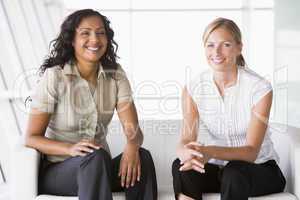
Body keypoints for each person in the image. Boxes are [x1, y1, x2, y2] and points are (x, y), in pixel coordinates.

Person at [25, 9, 157, 200]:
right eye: (85, 33)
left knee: (142, 157)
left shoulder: (116, 75)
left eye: (100, 33)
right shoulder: (55, 76)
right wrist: (70, 149)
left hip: (98, 167)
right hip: (60, 171)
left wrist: (132, 145)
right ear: (72, 40)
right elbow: (31, 138)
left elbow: (133, 130)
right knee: (96, 156)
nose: (94, 39)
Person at [172, 17, 286, 200]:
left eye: (225, 44)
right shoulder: (193, 88)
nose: (216, 52)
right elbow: (186, 138)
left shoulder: (260, 88)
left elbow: (251, 151)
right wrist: (184, 152)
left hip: (260, 170)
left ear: (239, 47)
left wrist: (210, 151)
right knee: (182, 166)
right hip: (219, 170)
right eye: (210, 45)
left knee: (234, 171)